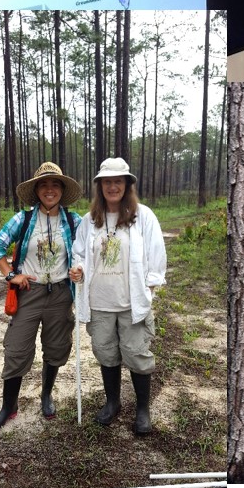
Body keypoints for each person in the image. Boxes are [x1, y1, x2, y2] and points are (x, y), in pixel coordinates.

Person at [69, 158, 166, 436]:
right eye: (107, 181)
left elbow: (156, 255)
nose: (113, 186)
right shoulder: (90, 221)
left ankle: (142, 410)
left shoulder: (142, 216)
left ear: (127, 185)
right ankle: (112, 403)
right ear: (100, 186)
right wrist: (78, 269)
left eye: (118, 181)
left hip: (130, 302)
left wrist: (149, 289)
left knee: (136, 353)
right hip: (99, 302)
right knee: (106, 352)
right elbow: (80, 254)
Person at [0, 162, 83, 430]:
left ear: (62, 190)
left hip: (61, 293)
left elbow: (88, 253)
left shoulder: (75, 221)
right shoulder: (23, 219)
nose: (49, 190)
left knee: (57, 347)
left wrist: (80, 270)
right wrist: (10, 274)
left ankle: (46, 395)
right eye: (44, 184)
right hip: (29, 293)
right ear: (36, 190)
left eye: (55, 184)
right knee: (16, 348)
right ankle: (8, 406)